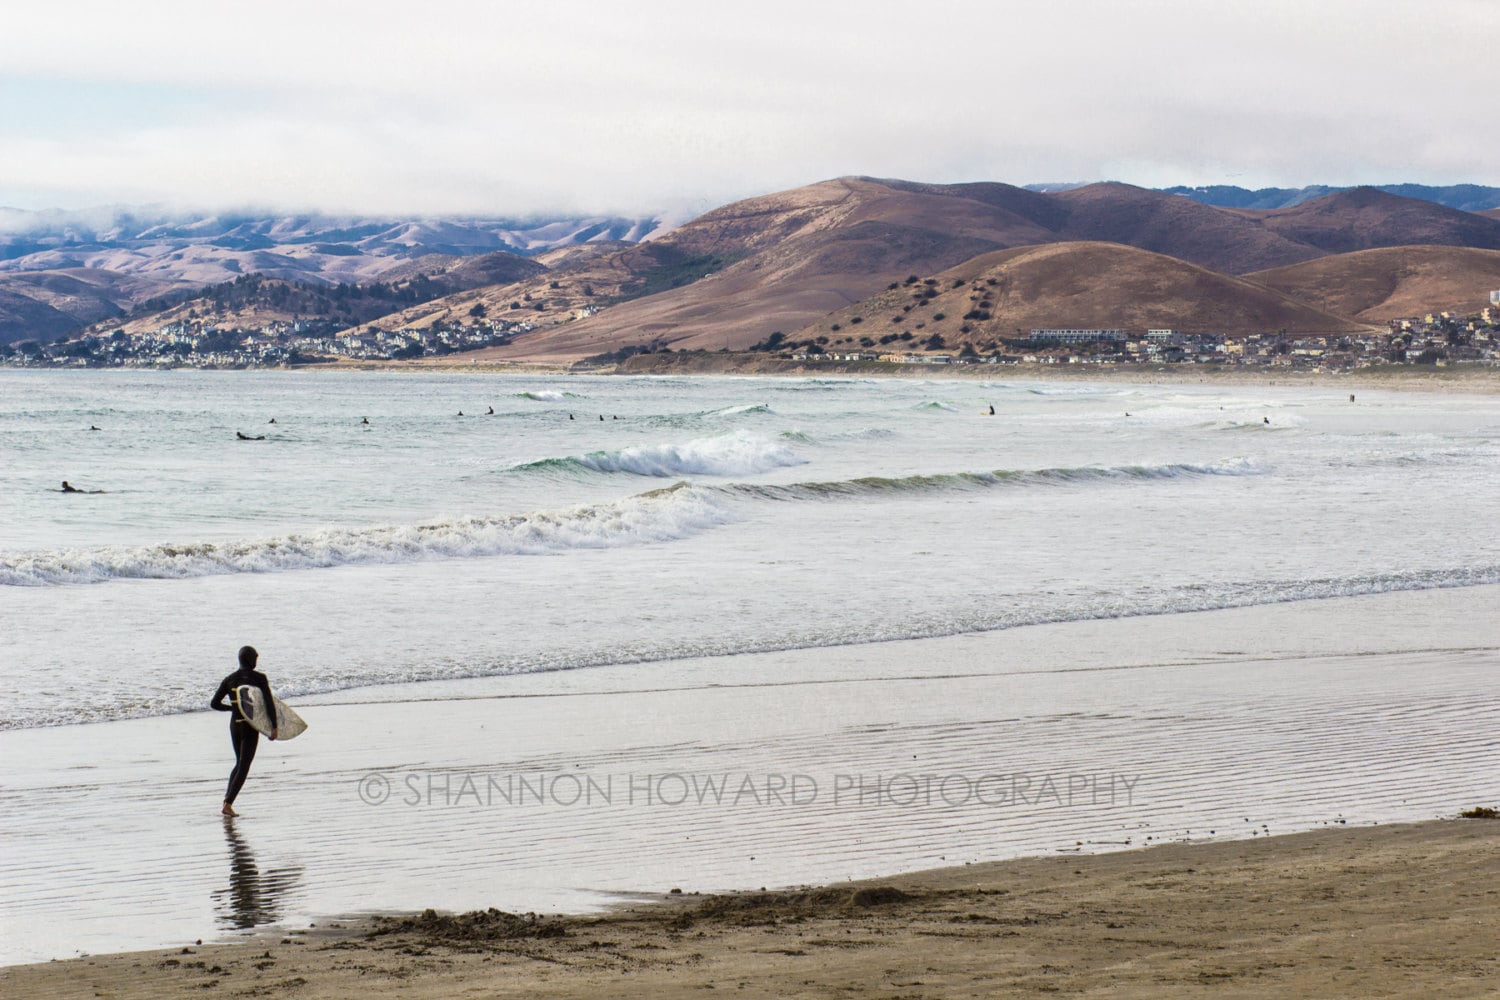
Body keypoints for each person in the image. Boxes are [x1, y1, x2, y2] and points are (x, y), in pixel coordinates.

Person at [211, 645, 279, 816]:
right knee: (244, 766)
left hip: (235, 724)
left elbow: (214, 704)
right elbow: (269, 703)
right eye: (255, 658)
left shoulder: (230, 679)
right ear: (250, 659)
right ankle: (227, 804)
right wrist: (274, 726)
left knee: (239, 763)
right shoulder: (259, 678)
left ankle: (227, 800)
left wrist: (233, 708)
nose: (256, 661)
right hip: (250, 726)